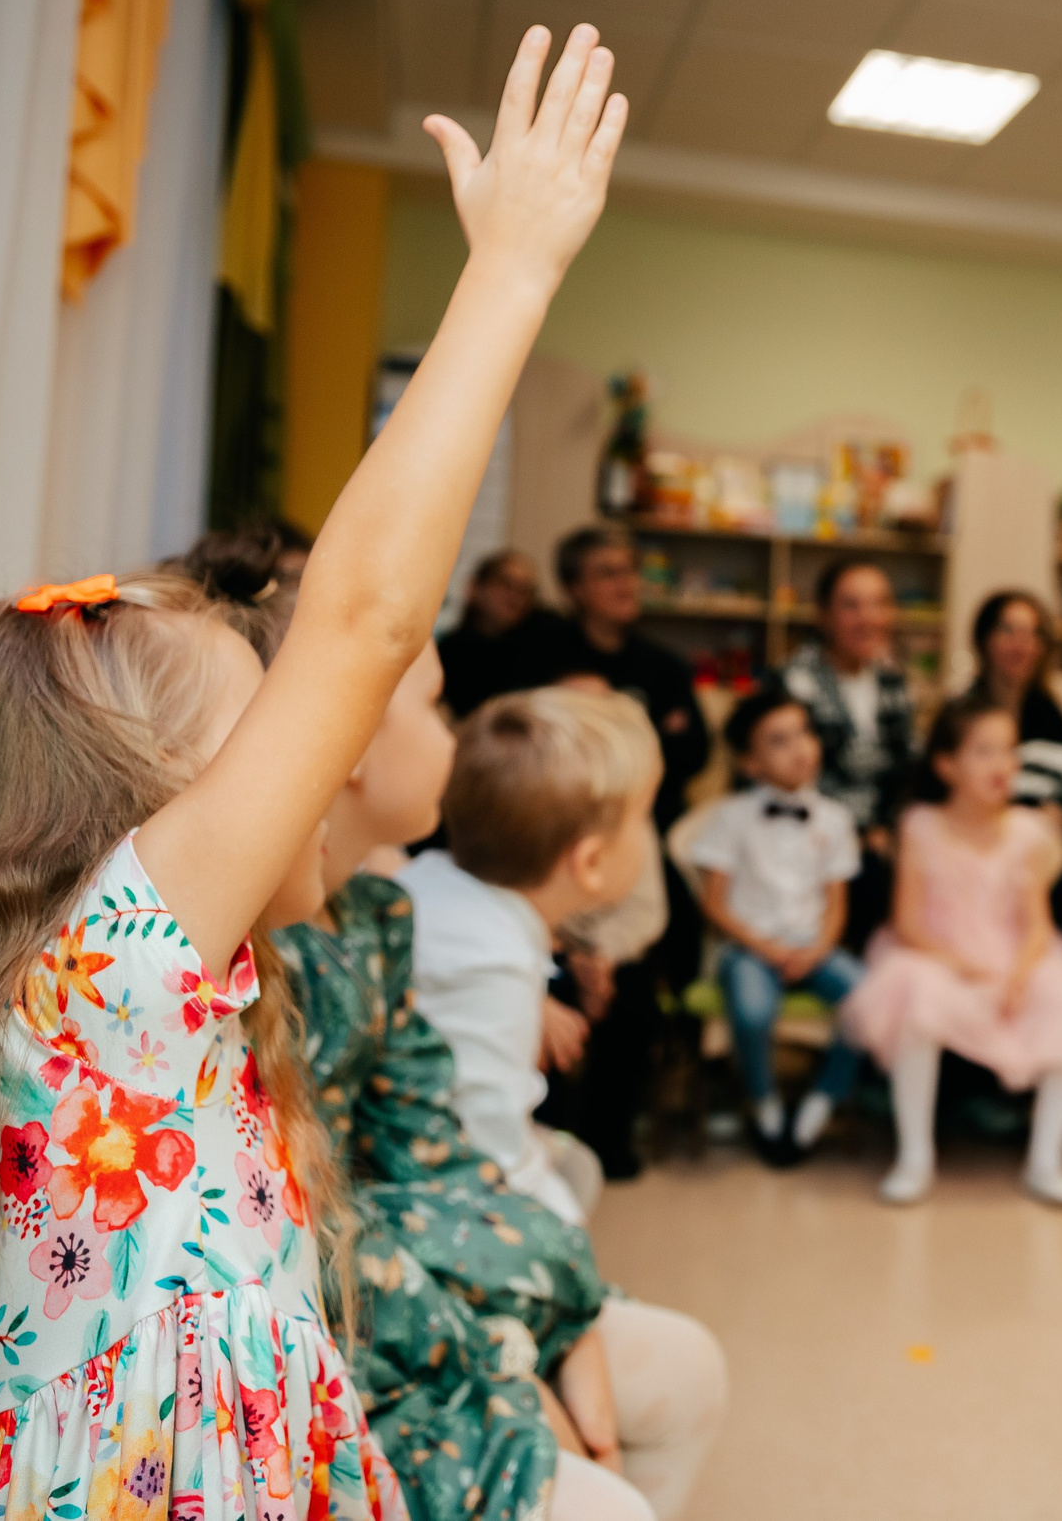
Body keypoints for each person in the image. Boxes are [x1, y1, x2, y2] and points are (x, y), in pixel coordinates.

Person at [0, 21, 629, 1516]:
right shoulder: (102, 979)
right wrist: (513, 270)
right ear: (120, 816)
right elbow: (365, 619)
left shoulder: (120, 1017)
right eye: (258, 748)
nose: (320, 763)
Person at [275, 640, 726, 1521]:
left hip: (420, 1255)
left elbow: (434, 1139)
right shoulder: (353, 947)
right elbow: (450, 1156)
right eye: (435, 705)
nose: (453, 737)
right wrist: (537, 1327)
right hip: (381, 1308)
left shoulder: (387, 907)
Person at [404, 689, 662, 1227]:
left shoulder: (442, 889)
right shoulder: (491, 963)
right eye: (644, 817)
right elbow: (490, 1158)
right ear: (590, 862)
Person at [840, 694, 1062, 1207]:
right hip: (937, 954)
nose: (1002, 764)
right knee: (918, 991)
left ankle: (1047, 1160)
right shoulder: (921, 825)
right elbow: (908, 924)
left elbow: (1037, 925)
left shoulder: (1027, 831)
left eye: (1008, 751)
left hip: (1007, 953)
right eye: (984, 751)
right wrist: (964, 967)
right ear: (947, 765)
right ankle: (914, 1155)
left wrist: (1020, 975)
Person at [534, 521, 712, 1180]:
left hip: (634, 857)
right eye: (607, 572)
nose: (626, 583)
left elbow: (692, 750)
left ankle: (613, 1136)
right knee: (548, 991)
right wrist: (572, 953)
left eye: (630, 569)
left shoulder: (662, 664)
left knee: (637, 995)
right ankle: (545, 1138)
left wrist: (605, 955)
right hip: (551, 919)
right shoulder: (544, 654)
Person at [688, 687, 867, 1166]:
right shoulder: (731, 817)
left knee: (869, 998)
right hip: (750, 947)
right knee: (752, 1010)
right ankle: (764, 1101)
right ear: (750, 763)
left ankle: (821, 1102)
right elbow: (713, 903)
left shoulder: (835, 818)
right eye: (779, 741)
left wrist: (818, 948)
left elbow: (836, 905)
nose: (800, 748)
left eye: (804, 733)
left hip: (812, 945)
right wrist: (764, 947)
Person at [769, 557, 918, 951]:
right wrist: (859, 831)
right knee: (870, 877)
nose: (868, 618)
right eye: (852, 605)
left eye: (879, 604)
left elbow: (904, 766)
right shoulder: (795, 681)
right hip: (809, 827)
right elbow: (789, 771)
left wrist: (887, 825)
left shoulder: (894, 681)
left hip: (882, 832)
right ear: (824, 616)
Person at [965, 588, 1062, 832]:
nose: (1021, 645)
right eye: (1008, 631)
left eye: (1033, 634)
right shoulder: (963, 713)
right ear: (985, 638)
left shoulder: (1054, 714)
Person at [438, 546, 566, 719]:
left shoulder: (545, 643)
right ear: (474, 588)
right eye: (506, 584)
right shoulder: (449, 652)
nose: (515, 596)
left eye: (526, 590)